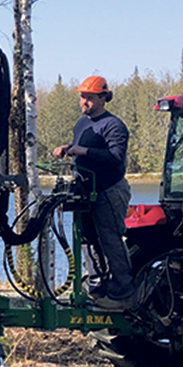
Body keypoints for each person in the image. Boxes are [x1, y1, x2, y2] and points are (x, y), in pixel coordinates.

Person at [52, 76, 134, 311]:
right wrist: (68, 148)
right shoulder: (82, 124)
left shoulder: (113, 125)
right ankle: (97, 289)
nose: (84, 101)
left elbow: (115, 157)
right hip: (86, 191)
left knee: (110, 239)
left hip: (109, 190)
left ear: (103, 98)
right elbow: (81, 148)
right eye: (82, 96)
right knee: (87, 240)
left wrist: (84, 151)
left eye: (89, 97)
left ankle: (123, 294)